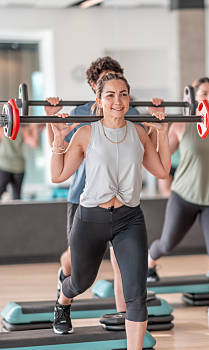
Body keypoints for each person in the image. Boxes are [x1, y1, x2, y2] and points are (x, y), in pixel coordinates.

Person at [49, 73, 171, 350]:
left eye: (124, 94)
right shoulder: (87, 133)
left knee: (136, 294)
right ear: (99, 101)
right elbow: (58, 173)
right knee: (81, 281)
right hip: (90, 218)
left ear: (129, 99)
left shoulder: (139, 133)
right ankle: (63, 299)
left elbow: (162, 171)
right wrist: (59, 139)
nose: (118, 101)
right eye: (111, 95)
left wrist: (163, 130)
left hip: (130, 220)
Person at [146, 77, 209, 321]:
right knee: (167, 244)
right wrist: (157, 125)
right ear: (193, 97)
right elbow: (161, 155)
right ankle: (150, 262)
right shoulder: (182, 125)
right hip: (184, 196)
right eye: (204, 93)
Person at [46, 56, 142, 315]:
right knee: (76, 264)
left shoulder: (131, 112)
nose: (116, 97)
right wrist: (50, 120)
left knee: (121, 262)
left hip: (122, 204)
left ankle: (124, 315)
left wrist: (159, 119)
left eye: (119, 87)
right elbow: (59, 148)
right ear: (93, 86)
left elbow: (148, 143)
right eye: (105, 84)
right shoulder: (79, 112)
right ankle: (65, 285)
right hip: (82, 197)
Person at [0, 122, 39, 202]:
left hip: (2, 165)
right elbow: (34, 143)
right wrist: (34, 127)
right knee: (16, 197)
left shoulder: (0, 129)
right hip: (19, 167)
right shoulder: (22, 129)